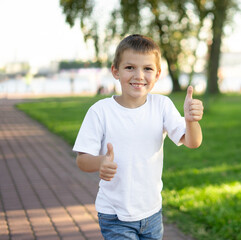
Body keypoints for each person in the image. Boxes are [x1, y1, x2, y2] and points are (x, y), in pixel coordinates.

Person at [73, 34, 203, 240]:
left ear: (158, 74)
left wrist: (191, 120)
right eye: (130, 67)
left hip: (152, 212)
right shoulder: (100, 111)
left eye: (147, 69)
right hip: (114, 213)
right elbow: (82, 160)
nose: (139, 75)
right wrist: (100, 162)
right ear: (115, 71)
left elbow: (193, 142)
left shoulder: (162, 106)